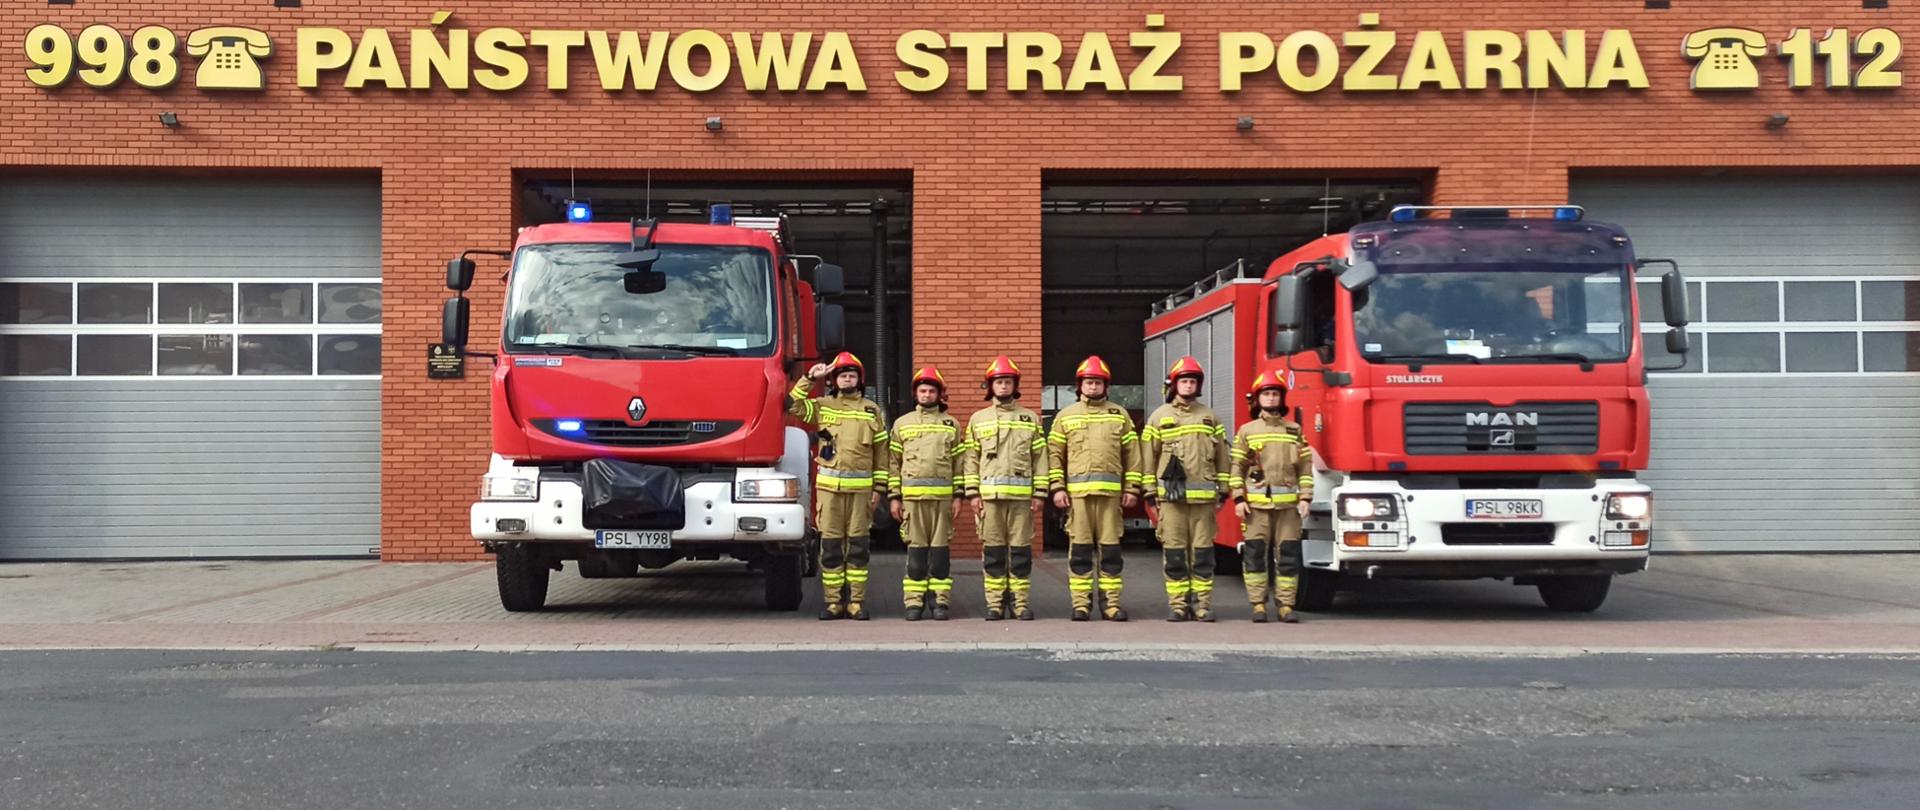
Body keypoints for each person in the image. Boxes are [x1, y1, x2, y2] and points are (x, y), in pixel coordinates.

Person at [788, 352, 890, 620]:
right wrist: (810, 378)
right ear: (834, 380)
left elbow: (882, 453)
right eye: (842, 375)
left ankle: (856, 602)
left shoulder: (872, 410)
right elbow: (792, 405)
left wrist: (879, 489)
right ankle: (833, 603)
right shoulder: (823, 406)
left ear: (859, 379)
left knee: (858, 548)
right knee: (831, 548)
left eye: (851, 375)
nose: (847, 379)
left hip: (861, 494)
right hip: (829, 493)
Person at [1047, 355, 1144, 622]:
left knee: (1111, 554)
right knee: (1079, 554)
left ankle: (1111, 605)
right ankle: (1080, 605)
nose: (1093, 386)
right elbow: (1054, 455)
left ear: (1106, 386)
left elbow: (1132, 455)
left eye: (1098, 382)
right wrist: (1057, 488)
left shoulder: (1119, 415)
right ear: (1080, 385)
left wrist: (1132, 489)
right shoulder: (1066, 416)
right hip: (1077, 499)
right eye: (1089, 382)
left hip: (1111, 499)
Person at [1139, 356, 1232, 623]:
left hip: (1203, 502)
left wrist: (1223, 489)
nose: (1188, 385)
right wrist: (1149, 492)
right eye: (1184, 381)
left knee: (1203, 555)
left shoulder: (1210, 417)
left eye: (1192, 381)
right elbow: (1148, 458)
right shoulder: (1159, 417)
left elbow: (1222, 457)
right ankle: (1178, 605)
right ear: (1174, 385)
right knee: (1175, 554)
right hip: (1171, 500)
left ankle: (1202, 605)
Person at [962, 355, 1047, 621]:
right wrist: (972, 494)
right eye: (998, 382)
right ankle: (995, 604)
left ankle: (1020, 604)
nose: (1003, 386)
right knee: (993, 554)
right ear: (991, 386)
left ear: (1015, 385)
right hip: (989, 500)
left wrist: (1040, 493)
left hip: (1021, 501)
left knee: (1021, 553)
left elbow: (1040, 458)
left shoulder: (1030, 418)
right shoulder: (978, 419)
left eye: (1007, 381)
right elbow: (970, 459)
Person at [1229, 372, 1315, 623]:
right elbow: (1237, 467)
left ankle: (1286, 605)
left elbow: (1305, 468)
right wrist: (1238, 499)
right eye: (1266, 394)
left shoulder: (1294, 430)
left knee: (1288, 557)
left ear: (1281, 398)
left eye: (1275, 394)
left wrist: (1305, 498)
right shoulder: (1247, 431)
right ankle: (1258, 604)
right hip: (1256, 508)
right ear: (1258, 399)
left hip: (1288, 508)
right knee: (1255, 555)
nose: (1271, 398)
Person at [888, 366, 965, 621]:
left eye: (931, 391)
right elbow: (893, 464)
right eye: (923, 391)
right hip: (912, 501)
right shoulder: (902, 424)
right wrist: (894, 497)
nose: (927, 395)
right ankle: (914, 602)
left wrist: (958, 496)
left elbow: (959, 464)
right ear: (916, 393)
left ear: (939, 394)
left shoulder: (951, 425)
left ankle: (940, 602)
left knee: (940, 555)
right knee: (917, 555)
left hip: (943, 501)